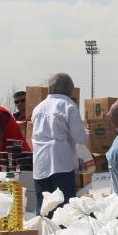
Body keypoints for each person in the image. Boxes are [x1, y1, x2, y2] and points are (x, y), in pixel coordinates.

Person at [31, 73, 88, 213]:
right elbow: (80, 137)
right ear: (69, 88)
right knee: (64, 210)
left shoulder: (38, 108)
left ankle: (43, 234)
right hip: (60, 163)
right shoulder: (68, 105)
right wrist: (87, 132)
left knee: (44, 209)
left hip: (40, 163)